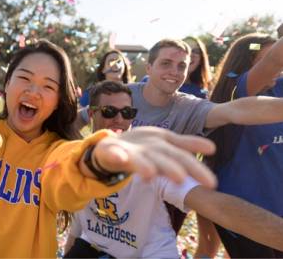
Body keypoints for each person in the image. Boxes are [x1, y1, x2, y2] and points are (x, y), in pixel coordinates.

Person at [0, 40, 217, 258]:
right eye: (24, 79)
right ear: (7, 85)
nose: (33, 91)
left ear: (59, 99)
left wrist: (99, 159)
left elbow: (69, 171)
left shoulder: (57, 150)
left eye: (47, 86)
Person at [64, 80, 283, 258]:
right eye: (109, 111)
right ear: (92, 114)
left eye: (128, 112)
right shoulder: (76, 156)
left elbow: (218, 207)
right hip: (96, 248)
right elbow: (79, 225)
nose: (120, 120)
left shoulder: (150, 162)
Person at [208, 33, 283, 258]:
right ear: (246, 61)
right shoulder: (236, 88)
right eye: (263, 58)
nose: (276, 69)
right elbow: (274, 61)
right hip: (242, 214)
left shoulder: (279, 86)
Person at [140, 36, 211, 99]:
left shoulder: (201, 95)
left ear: (201, 59)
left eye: (195, 51)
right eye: (185, 50)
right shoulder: (148, 81)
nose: (190, 55)